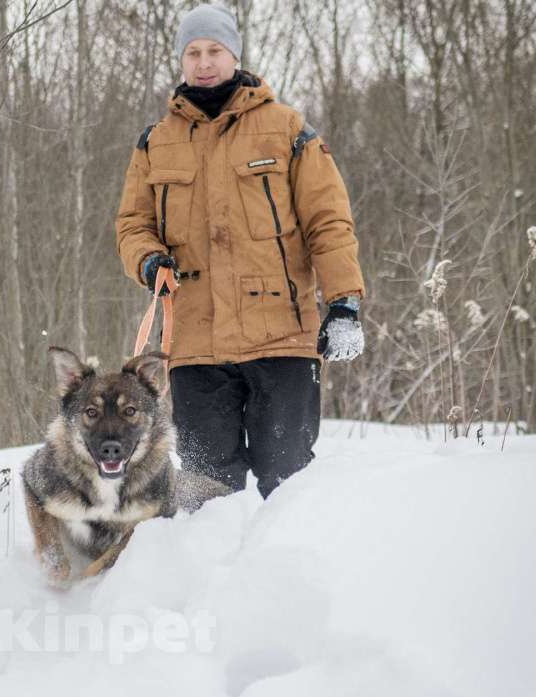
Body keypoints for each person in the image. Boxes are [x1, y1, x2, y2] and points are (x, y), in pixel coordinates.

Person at [114, 4, 366, 499]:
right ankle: (208, 577)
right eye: (193, 53)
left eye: (214, 51)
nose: (203, 62)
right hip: (195, 346)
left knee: (290, 485)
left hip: (281, 338)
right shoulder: (155, 143)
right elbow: (132, 224)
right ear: (181, 60)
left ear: (234, 55)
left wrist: (344, 304)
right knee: (205, 491)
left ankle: (290, 576)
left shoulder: (288, 129)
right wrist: (147, 259)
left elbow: (328, 222)